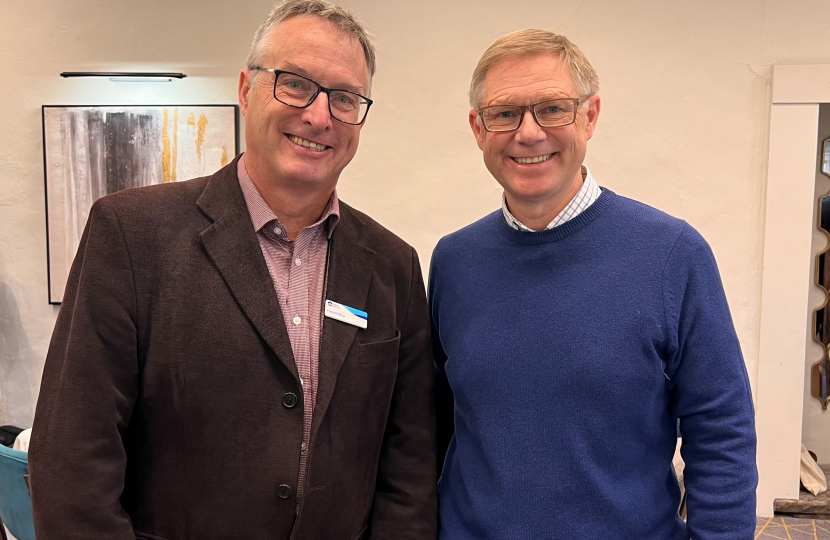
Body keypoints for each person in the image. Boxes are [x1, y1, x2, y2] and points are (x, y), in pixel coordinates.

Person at [29, 1, 436, 539]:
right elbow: (71, 462)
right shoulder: (131, 234)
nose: (319, 116)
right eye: (295, 84)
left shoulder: (393, 265)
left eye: (344, 98)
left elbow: (410, 463)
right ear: (247, 90)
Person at [430, 29, 757, 540]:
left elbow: (721, 431)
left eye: (553, 108)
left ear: (590, 115)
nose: (529, 132)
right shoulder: (453, 262)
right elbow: (437, 422)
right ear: (478, 127)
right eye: (504, 113)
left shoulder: (673, 255)